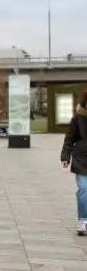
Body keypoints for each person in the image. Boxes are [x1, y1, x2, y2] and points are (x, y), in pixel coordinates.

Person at [60, 89, 87, 234]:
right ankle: (83, 221)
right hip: (81, 159)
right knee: (83, 189)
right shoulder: (77, 118)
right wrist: (65, 157)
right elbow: (69, 139)